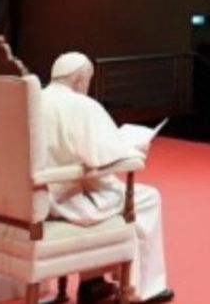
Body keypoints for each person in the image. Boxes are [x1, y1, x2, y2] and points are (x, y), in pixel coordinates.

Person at [42, 52, 173, 304]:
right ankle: (143, 289)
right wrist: (137, 149)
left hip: (36, 196)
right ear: (79, 79)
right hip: (68, 199)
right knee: (146, 198)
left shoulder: (34, 98)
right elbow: (107, 156)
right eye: (88, 81)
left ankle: (93, 282)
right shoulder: (82, 105)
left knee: (108, 190)